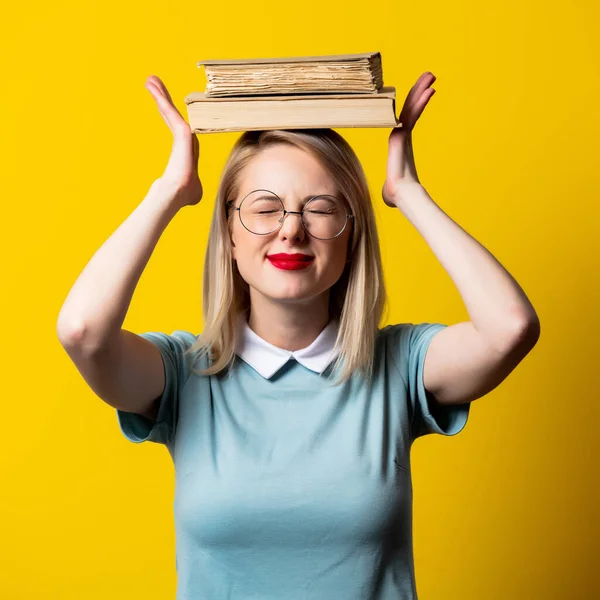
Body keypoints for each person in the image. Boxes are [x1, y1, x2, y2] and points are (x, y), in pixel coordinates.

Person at [56, 71, 540, 599]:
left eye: (321, 209)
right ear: (230, 237)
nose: (291, 229)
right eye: (264, 209)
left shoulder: (398, 365)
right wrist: (170, 191)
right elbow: (83, 331)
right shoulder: (183, 373)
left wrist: (408, 193)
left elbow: (509, 328)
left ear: (352, 238)